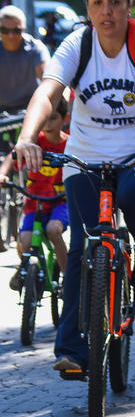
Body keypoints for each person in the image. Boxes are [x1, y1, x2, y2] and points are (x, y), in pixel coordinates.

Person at [13, 0, 135, 379]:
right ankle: (73, 351)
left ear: (129, 6)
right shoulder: (78, 43)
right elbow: (48, 91)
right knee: (82, 247)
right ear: (87, 7)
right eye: (97, 3)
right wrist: (27, 137)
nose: (106, 11)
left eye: (115, 2)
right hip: (85, 158)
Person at [0, 98, 69, 290]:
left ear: (65, 119)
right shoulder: (33, 143)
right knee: (24, 242)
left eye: (53, 118)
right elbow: (13, 156)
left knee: (54, 230)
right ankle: (26, 268)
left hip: (60, 201)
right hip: (35, 202)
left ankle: (68, 278)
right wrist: (3, 173)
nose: (48, 124)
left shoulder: (69, 144)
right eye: (44, 119)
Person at [0, 5, 50, 113]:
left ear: (23, 29)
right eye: (5, 30)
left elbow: (48, 81)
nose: (10, 35)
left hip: (30, 110)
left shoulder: (35, 48)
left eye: (16, 30)